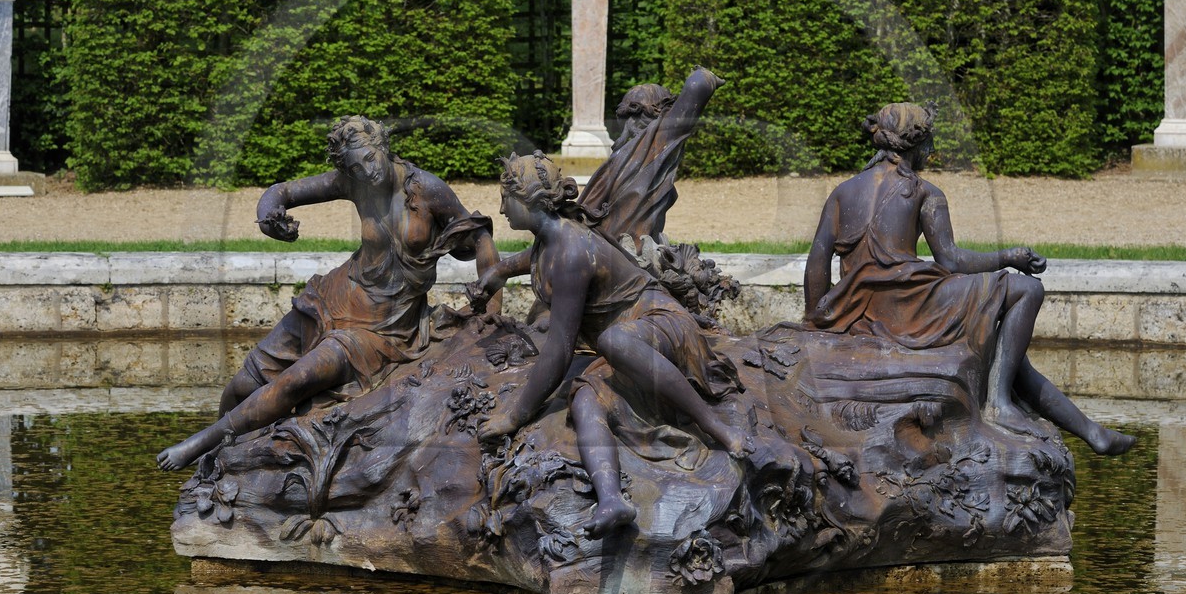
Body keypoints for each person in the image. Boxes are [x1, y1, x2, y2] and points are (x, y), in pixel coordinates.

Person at [157, 116, 500, 471]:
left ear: (383, 147)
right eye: (355, 166)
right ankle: (216, 466)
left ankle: (198, 444)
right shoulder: (354, 182)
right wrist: (269, 215)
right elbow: (283, 192)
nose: (367, 171)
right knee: (241, 385)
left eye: (370, 158)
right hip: (329, 300)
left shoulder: (426, 189)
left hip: (379, 330)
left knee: (294, 382)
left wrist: (491, 309)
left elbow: (480, 238)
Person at [804, 103, 1136, 455]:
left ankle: (1091, 432)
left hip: (862, 308)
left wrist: (819, 316)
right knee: (1026, 288)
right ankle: (999, 405)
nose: (932, 152)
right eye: (929, 143)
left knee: (1003, 352)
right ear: (913, 145)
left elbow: (817, 261)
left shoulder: (842, 191)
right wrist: (1009, 257)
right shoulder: (924, 192)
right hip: (911, 306)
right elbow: (951, 259)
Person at [475, 151, 751, 537]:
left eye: (506, 198)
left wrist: (515, 415)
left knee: (613, 339)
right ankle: (611, 500)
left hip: (659, 326)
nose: (501, 208)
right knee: (586, 398)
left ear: (528, 201)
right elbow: (530, 260)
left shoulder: (572, 252)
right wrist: (497, 273)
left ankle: (715, 426)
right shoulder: (549, 240)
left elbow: (559, 351)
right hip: (620, 344)